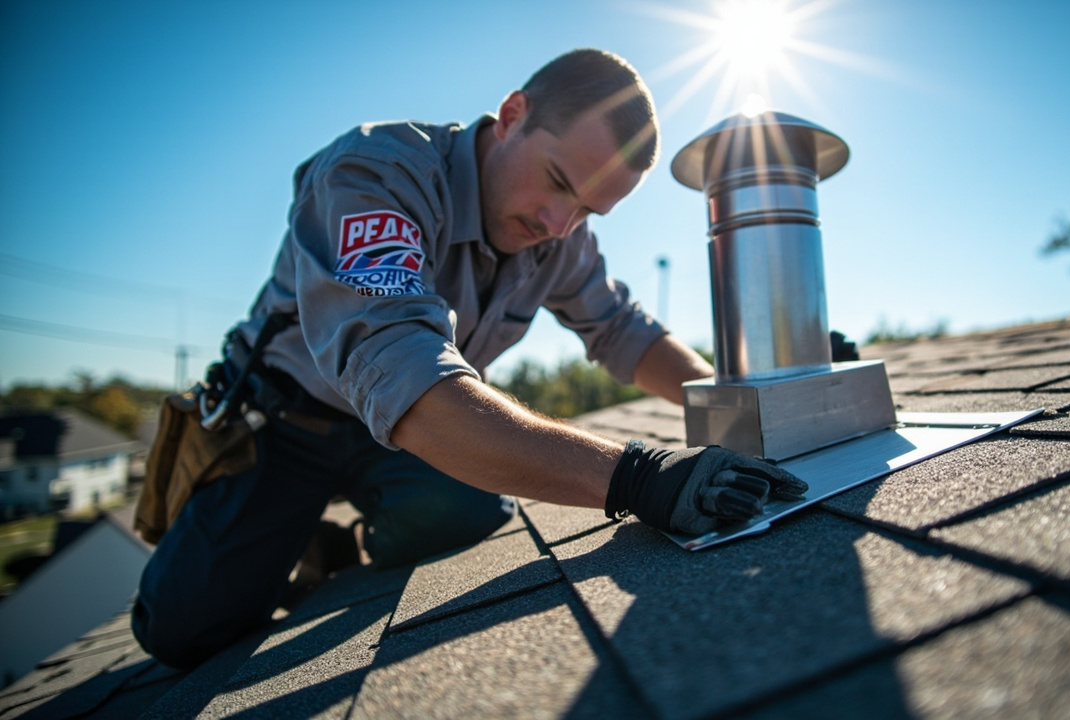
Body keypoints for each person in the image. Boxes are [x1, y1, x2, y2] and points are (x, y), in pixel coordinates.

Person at [131, 48, 806, 669]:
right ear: (512, 115)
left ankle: (333, 539)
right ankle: (289, 524)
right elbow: (407, 379)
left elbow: (621, 331)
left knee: (472, 516)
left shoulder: (561, 236)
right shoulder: (376, 175)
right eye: (556, 182)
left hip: (395, 442)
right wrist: (638, 478)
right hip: (284, 427)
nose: (557, 226)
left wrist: (743, 397)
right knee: (182, 630)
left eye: (588, 210)